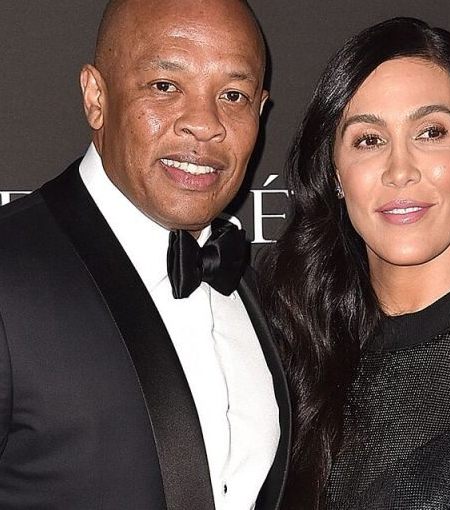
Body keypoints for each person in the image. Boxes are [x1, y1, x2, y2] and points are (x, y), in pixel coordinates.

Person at [260, 17, 450, 510]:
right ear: (336, 172)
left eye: (430, 132)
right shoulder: (295, 355)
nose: (400, 170)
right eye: (368, 139)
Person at [0, 0, 290, 508]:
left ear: (260, 112)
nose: (205, 124)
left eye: (233, 95)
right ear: (96, 97)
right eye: (165, 86)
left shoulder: (254, 290)